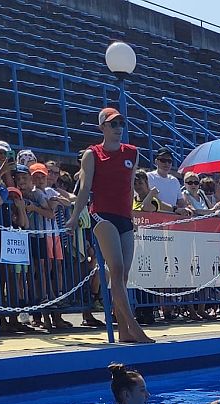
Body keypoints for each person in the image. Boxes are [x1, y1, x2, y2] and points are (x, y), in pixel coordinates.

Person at [67, 108, 152, 344]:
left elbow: (130, 189)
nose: (118, 128)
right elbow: (84, 189)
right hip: (102, 215)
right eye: (113, 124)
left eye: (121, 124)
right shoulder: (92, 154)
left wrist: (136, 213)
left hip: (125, 217)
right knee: (115, 268)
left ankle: (123, 331)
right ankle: (135, 327)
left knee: (123, 275)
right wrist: (74, 217)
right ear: (102, 127)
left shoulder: (132, 153)